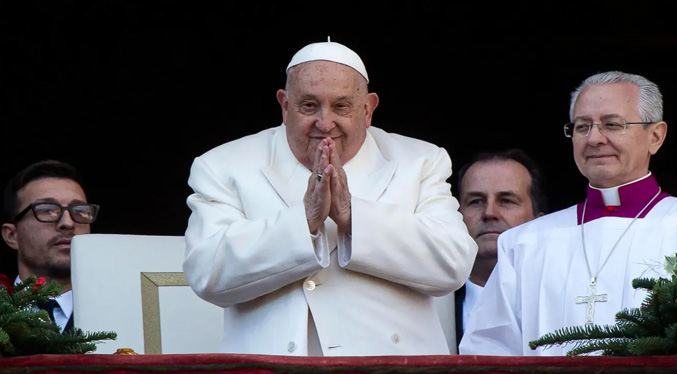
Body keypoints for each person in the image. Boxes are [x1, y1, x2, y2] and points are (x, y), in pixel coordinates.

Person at [182, 39, 478, 356]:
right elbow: (207, 273)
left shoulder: (420, 161)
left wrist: (353, 217)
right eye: (309, 106)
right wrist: (304, 221)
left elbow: (453, 264)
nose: (325, 123)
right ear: (284, 105)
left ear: (368, 110)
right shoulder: (224, 165)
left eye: (341, 106)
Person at [459, 70, 675, 356]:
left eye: (612, 124)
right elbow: (489, 350)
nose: (595, 138)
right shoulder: (524, 243)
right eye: (583, 126)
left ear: (655, 137)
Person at [452, 148, 547, 351]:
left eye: (506, 201)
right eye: (476, 201)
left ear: (539, 223)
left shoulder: (559, 304)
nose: (489, 213)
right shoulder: (428, 309)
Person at [1, 159, 100, 333]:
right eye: (47, 209)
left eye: (80, 211)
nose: (68, 223)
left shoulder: (126, 309)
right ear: (11, 235)